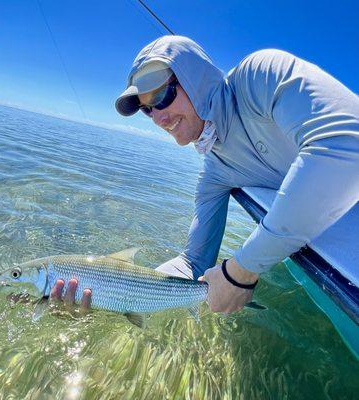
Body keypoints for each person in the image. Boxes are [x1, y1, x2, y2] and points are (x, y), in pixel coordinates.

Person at [54, 35, 359, 314]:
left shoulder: (260, 77)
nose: (159, 117)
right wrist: (114, 291)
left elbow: (348, 147)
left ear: (195, 79)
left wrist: (241, 269)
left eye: (161, 96)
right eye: (148, 110)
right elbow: (193, 263)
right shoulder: (214, 175)